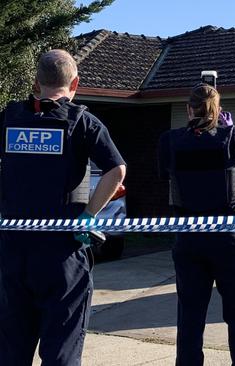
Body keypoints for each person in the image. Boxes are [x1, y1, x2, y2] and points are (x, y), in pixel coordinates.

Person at [0, 49, 127, 365]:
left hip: (12, 253)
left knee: (11, 350)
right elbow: (117, 170)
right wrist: (89, 216)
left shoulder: (9, 118)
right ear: (75, 83)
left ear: (35, 83)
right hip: (62, 255)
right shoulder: (82, 122)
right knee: (61, 353)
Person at [158, 83, 235, 366]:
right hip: (231, 239)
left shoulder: (170, 140)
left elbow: (167, 176)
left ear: (187, 109)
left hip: (189, 239)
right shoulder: (232, 137)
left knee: (190, 316)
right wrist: (229, 134)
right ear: (219, 110)